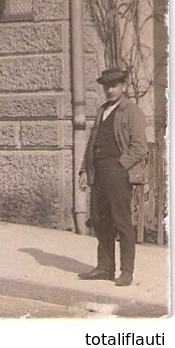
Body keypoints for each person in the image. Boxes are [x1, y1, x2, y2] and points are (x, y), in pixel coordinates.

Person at [77, 66, 148, 287]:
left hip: (118, 172)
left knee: (122, 222)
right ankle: (105, 268)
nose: (109, 90)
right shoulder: (101, 111)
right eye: (106, 86)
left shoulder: (132, 111)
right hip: (98, 173)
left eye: (114, 85)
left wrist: (120, 166)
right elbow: (92, 144)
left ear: (123, 87)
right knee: (100, 220)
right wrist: (83, 170)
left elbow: (139, 147)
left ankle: (126, 272)